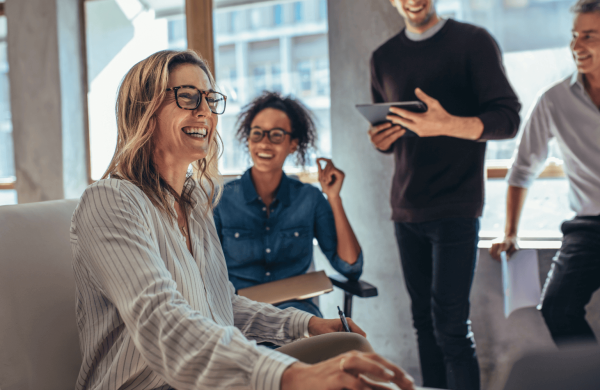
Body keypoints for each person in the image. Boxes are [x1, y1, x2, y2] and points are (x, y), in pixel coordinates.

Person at [70, 49, 415, 390]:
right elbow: (163, 322)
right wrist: (289, 375)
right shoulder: (111, 201)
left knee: (348, 347)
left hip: (209, 374)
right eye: (188, 97)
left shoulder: (195, 203)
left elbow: (221, 306)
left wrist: (306, 324)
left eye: (209, 99)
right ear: (144, 110)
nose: (205, 112)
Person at [368, 0, 521, 388]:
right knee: (423, 323)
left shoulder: (473, 41)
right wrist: (380, 139)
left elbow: (508, 119)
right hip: (405, 208)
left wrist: (449, 124)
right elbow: (391, 131)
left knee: (451, 328)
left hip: (456, 206)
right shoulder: (382, 56)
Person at [490, 0, 600, 347]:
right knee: (556, 308)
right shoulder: (553, 100)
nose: (576, 46)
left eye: (589, 36)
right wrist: (510, 232)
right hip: (588, 228)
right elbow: (522, 169)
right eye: (574, 36)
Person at [213, 92, 363, 318]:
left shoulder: (309, 198)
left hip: (298, 316)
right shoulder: (220, 200)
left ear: (293, 144)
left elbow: (350, 266)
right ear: (248, 140)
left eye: (276, 135)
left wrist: (334, 197)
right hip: (239, 317)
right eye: (257, 134)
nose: (264, 142)